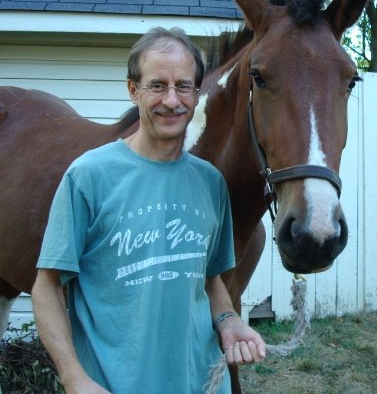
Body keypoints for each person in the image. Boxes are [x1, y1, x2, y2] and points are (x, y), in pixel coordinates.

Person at [31, 27, 266, 394]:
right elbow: (46, 288)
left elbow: (211, 280)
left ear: (196, 92)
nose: (172, 100)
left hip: (202, 384)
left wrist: (228, 320)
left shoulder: (210, 183)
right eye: (157, 85)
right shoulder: (89, 177)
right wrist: (75, 379)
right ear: (133, 90)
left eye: (183, 86)